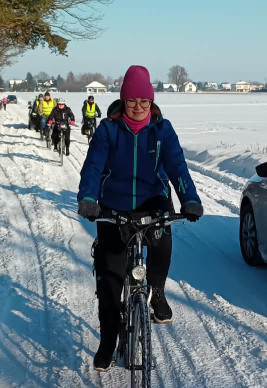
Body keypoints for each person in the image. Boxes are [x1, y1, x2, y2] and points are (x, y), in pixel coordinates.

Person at [77, 65, 203, 372]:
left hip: (152, 201)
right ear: (123, 100)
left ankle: (156, 292)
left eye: (144, 101)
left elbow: (177, 166)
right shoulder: (108, 129)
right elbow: (93, 167)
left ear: (151, 101)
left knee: (162, 238)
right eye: (132, 100)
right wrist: (89, 199)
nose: (138, 106)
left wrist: (190, 199)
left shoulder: (162, 130)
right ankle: (108, 340)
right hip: (113, 207)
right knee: (109, 281)